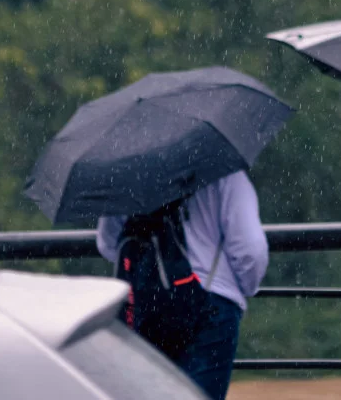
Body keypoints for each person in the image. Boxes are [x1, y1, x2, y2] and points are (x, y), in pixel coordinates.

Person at [97, 169, 268, 400]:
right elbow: (251, 251)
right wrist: (244, 288)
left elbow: (108, 242)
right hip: (211, 303)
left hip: (147, 302)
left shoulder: (127, 171)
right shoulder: (224, 170)